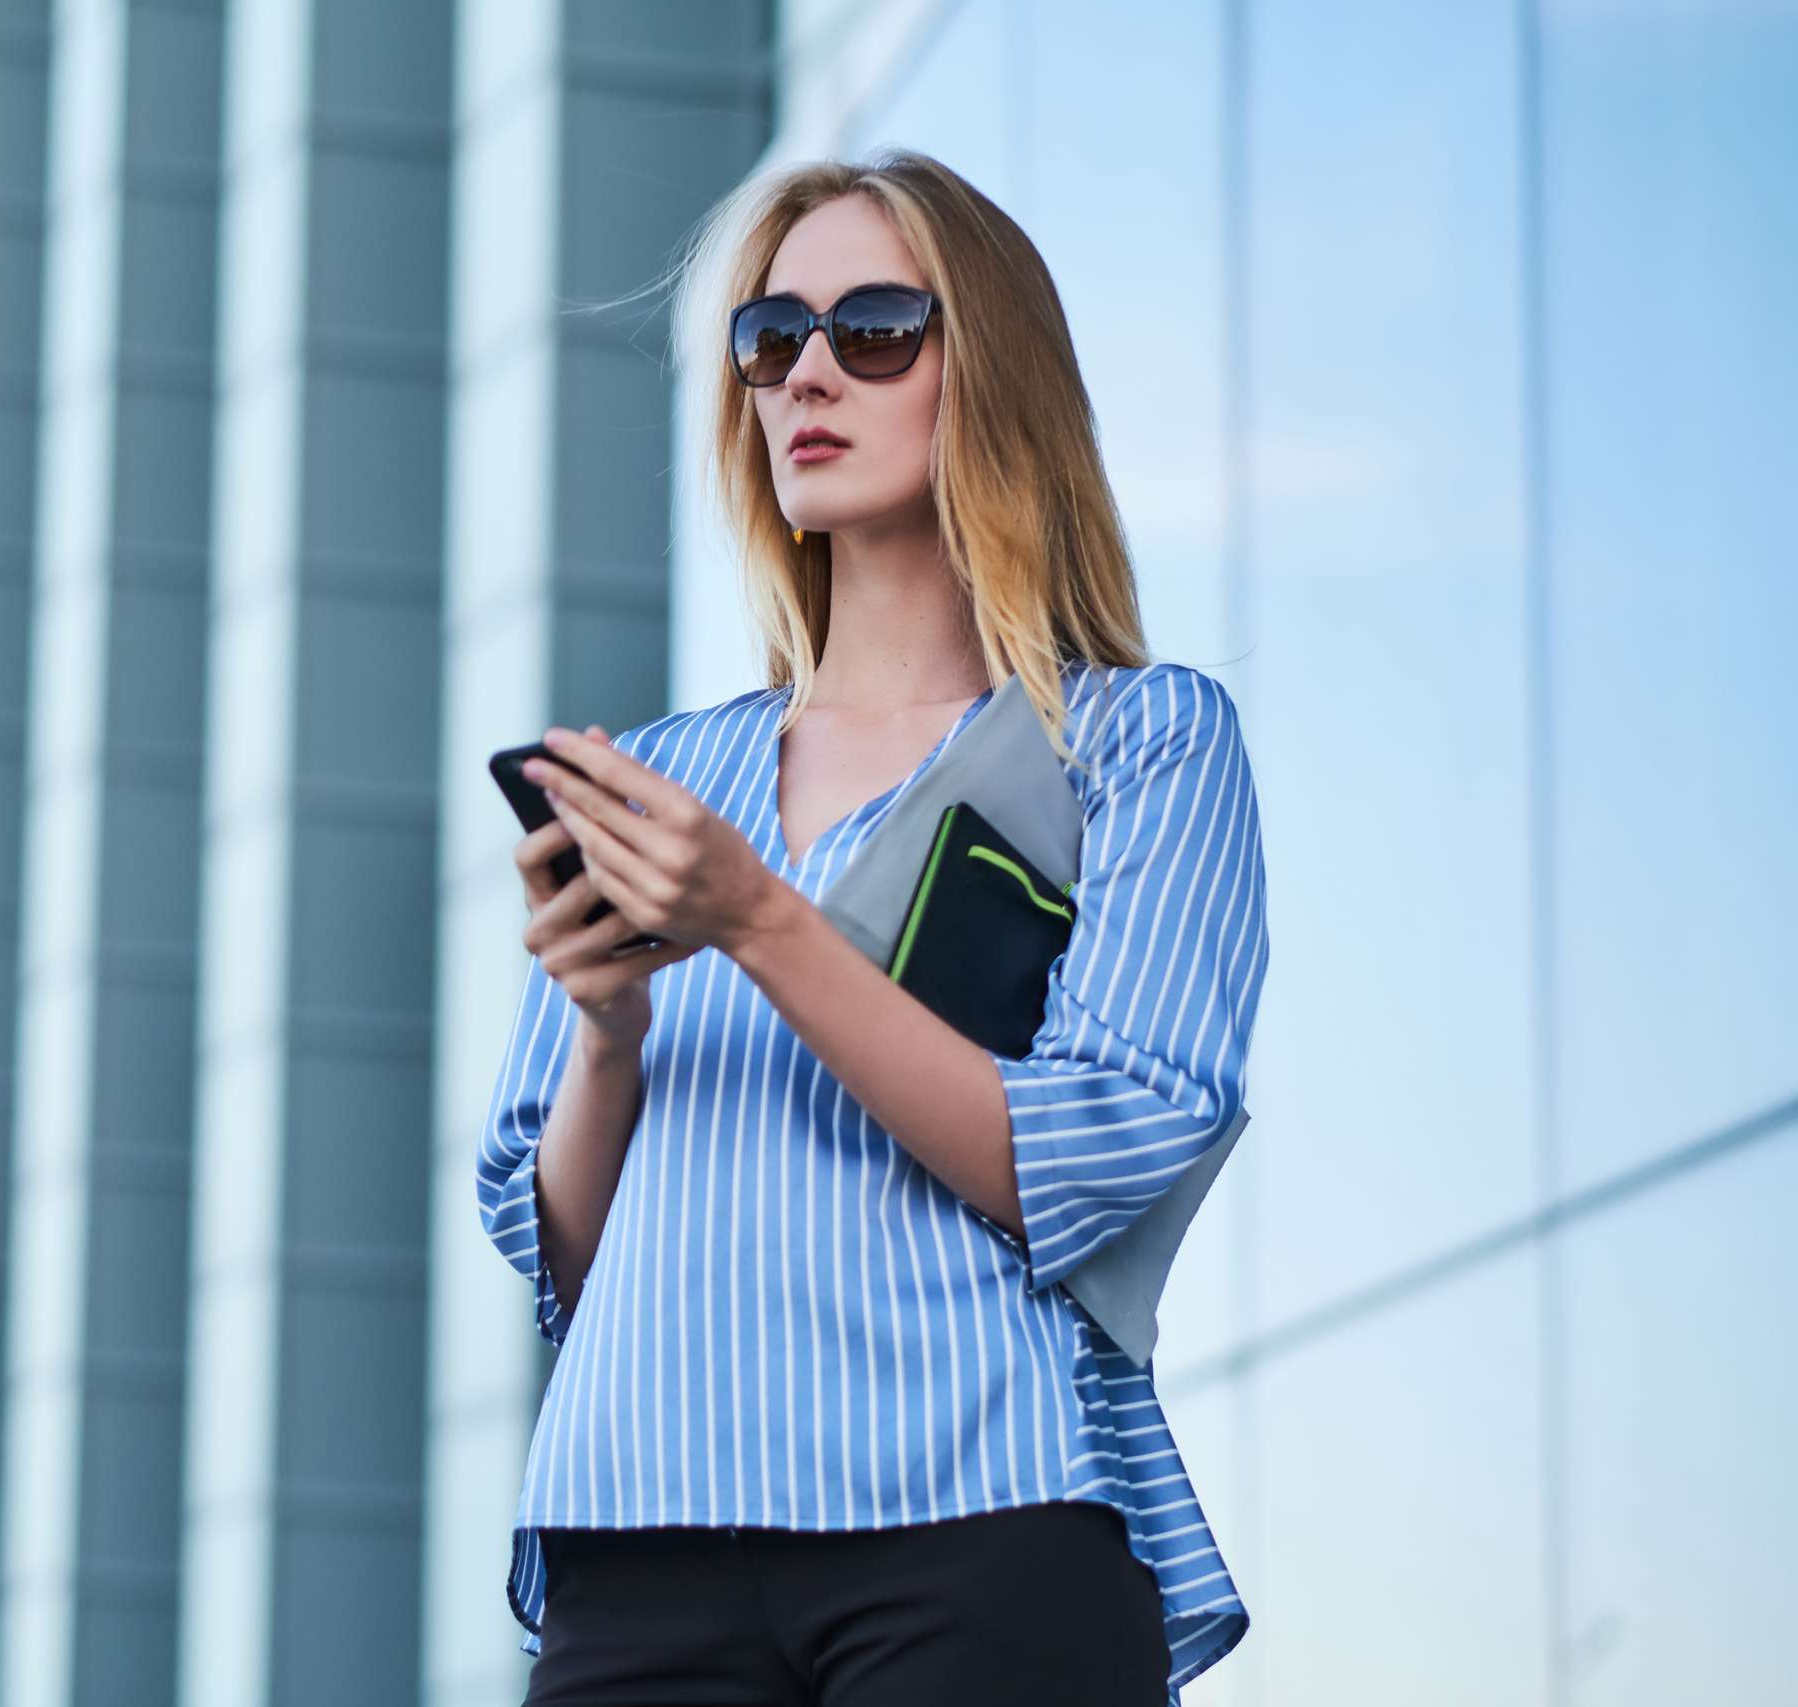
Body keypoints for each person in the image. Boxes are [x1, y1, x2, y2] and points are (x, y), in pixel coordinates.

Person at [475, 148, 1268, 1706]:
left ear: (995, 374)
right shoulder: (667, 778)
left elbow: (1101, 1162)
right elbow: (566, 1254)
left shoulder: (1136, 746)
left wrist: (761, 922)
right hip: (636, 1540)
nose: (808, 374)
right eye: (773, 339)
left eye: (877, 328)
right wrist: (609, 1030)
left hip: (978, 1518)